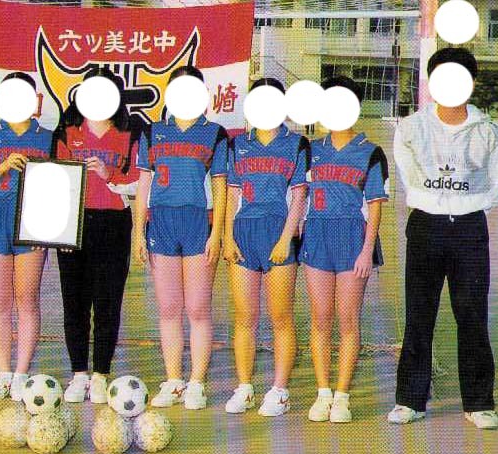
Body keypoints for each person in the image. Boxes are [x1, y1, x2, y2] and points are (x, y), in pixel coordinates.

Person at [388, 48, 498, 429]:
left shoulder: (489, 131)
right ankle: (410, 400)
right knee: (419, 314)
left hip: (469, 228)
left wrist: (465, 204)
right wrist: (435, 199)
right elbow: (409, 175)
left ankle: (479, 402)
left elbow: (497, 183)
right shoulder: (412, 128)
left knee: (471, 313)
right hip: (426, 226)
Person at [133, 66, 229, 410]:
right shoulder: (152, 132)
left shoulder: (214, 134)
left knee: (198, 308)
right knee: (169, 308)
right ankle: (174, 380)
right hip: (161, 223)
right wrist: (138, 233)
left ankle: (197, 383)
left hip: (198, 223)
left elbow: (221, 187)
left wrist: (217, 233)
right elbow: (143, 185)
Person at [299, 76, 389, 423]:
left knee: (348, 319)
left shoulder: (371, 152)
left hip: (353, 240)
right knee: (320, 317)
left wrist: (367, 250)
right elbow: (299, 196)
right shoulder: (310, 149)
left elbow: (375, 206)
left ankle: (342, 396)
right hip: (317, 237)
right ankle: (323, 393)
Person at [223, 78, 308, 415]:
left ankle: (279, 390)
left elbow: (299, 196)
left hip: (278, 234)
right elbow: (231, 193)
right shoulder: (238, 144)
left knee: (281, 317)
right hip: (244, 233)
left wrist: (286, 239)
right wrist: (228, 236)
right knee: (245, 316)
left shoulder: (296, 144)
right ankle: (244, 387)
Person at [54, 69, 140, 404]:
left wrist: (110, 174)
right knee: (74, 303)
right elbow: (55, 181)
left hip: (113, 224)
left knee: (107, 302)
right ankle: (78, 373)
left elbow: (139, 182)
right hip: (73, 225)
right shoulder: (67, 131)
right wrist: (54, 228)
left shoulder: (131, 132)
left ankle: (101, 373)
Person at [0, 73, 54, 402]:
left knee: (27, 298)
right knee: (0, 300)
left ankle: (22, 373)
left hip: (31, 225)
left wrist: (45, 228)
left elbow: (57, 189)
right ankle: (4, 372)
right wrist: (4, 166)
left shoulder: (47, 137)